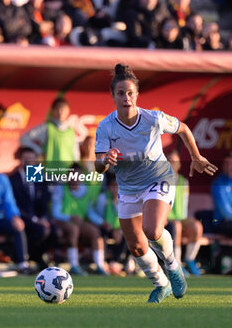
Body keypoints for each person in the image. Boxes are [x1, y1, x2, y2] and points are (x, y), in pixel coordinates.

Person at [95, 63, 218, 303]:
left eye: (130, 93)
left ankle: (173, 267)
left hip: (158, 177)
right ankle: (161, 284)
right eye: (121, 93)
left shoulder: (153, 119)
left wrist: (196, 156)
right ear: (113, 96)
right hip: (128, 188)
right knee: (138, 248)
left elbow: (182, 128)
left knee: (152, 230)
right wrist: (105, 161)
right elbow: (98, 165)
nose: (126, 98)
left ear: (137, 95)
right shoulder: (106, 126)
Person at [51, 162, 108, 275]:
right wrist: (69, 217)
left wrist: (101, 222)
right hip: (62, 222)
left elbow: (89, 212)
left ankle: (99, 266)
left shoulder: (86, 190)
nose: (76, 179)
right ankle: (74, 265)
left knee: (95, 231)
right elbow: (55, 212)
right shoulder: (61, 188)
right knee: (73, 229)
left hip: (79, 222)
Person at [10, 147, 56, 269]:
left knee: (54, 231)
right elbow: (13, 205)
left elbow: (44, 202)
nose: (30, 162)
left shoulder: (38, 176)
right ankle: (27, 258)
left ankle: (36, 257)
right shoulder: (13, 179)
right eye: (26, 159)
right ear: (21, 160)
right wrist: (35, 219)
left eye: (32, 159)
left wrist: (44, 218)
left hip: (38, 219)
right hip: (22, 218)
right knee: (39, 230)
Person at [166, 149, 203, 276]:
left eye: (174, 161)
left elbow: (185, 204)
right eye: (169, 160)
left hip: (180, 218)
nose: (171, 163)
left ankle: (190, 259)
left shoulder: (183, 181)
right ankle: (177, 265)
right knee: (176, 226)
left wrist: (185, 220)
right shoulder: (159, 179)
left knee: (196, 226)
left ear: (179, 164)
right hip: (164, 219)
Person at [20, 97, 80, 165]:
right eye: (58, 108)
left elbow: (75, 153)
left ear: (68, 110)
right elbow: (24, 139)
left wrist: (76, 167)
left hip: (67, 172)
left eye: (63, 109)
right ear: (52, 110)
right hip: (49, 172)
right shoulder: (46, 127)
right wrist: (39, 151)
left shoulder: (71, 131)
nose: (60, 112)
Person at [0, 173, 31, 274]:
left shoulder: (2, 179)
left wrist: (14, 216)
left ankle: (23, 265)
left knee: (18, 226)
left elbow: (9, 201)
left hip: (0, 219)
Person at [211, 152, 232, 236]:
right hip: (221, 223)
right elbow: (226, 213)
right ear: (223, 165)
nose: (230, 167)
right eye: (227, 164)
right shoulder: (218, 184)